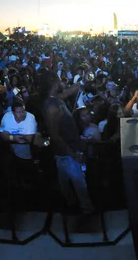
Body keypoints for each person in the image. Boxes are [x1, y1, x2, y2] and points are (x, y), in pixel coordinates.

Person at [41, 71, 94, 214]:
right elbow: (55, 135)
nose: (63, 82)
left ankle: (72, 206)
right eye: (60, 80)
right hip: (67, 154)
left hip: (67, 153)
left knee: (66, 185)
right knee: (79, 185)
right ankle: (86, 211)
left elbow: (70, 90)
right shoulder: (51, 106)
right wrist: (73, 154)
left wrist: (83, 81)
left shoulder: (56, 98)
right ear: (53, 83)